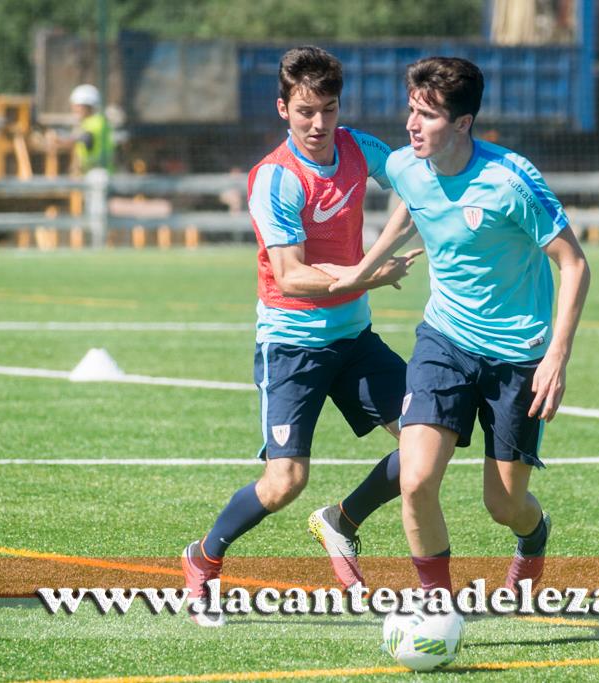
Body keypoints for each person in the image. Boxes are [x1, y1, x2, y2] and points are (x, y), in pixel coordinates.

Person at [321, 56, 590, 597]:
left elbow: (574, 263)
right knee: (418, 479)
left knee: (504, 505)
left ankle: (533, 538)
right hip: (445, 341)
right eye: (412, 111)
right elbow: (411, 203)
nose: (413, 125)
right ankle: (435, 604)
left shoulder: (510, 181)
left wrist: (557, 357)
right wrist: (364, 268)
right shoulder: (405, 164)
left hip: (519, 356)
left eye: (428, 116)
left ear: (463, 124)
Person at [181, 46, 421, 626]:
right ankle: (203, 560)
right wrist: (369, 273)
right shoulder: (275, 178)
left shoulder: (361, 149)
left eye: (330, 109)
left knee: (424, 445)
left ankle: (341, 521)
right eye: (306, 111)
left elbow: (419, 189)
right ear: (283, 108)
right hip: (292, 346)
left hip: (356, 338)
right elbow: (290, 276)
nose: (319, 125)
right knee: (285, 480)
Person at [52, 84, 115, 174]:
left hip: (98, 174)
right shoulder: (93, 121)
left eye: (76, 106)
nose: (74, 110)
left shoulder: (96, 122)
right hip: (96, 172)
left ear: (85, 106)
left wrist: (61, 141)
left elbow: (86, 139)